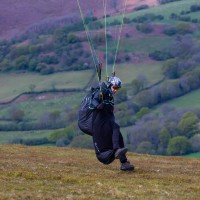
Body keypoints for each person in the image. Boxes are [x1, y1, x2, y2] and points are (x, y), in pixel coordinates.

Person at [91, 76, 134, 171]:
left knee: (119, 136)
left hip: (105, 123)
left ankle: (124, 163)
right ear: (110, 86)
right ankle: (116, 149)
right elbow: (93, 100)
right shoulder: (103, 92)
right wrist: (98, 106)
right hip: (99, 124)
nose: (115, 90)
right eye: (114, 88)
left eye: (117, 89)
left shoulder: (110, 97)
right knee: (116, 127)